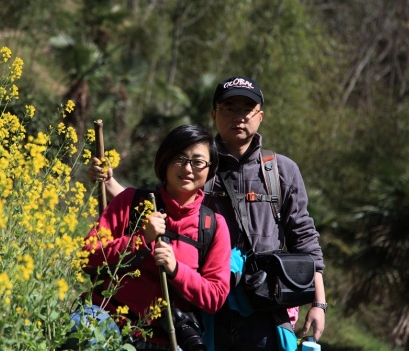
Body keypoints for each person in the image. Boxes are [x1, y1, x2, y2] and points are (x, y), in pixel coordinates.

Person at [89, 76, 326, 350]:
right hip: (206, 307)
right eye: (229, 108)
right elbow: (159, 208)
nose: (238, 117)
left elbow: (304, 240)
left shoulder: (281, 171)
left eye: (246, 109)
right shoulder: (199, 166)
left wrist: (318, 303)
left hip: (266, 309)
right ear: (214, 115)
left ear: (260, 116)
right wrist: (109, 183)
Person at [81, 124, 231, 350]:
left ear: (210, 169)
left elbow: (215, 296)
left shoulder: (214, 226)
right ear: (165, 161)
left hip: (167, 339)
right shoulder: (131, 202)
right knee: (81, 332)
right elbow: (88, 256)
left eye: (198, 162)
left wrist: (176, 270)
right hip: (109, 322)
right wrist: (140, 239)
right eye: (179, 158)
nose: (188, 168)